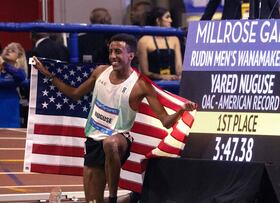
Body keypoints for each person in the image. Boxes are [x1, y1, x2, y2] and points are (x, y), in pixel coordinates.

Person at [32, 33, 197, 203]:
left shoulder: (141, 85)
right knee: (93, 201)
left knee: (110, 143)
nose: (112, 56)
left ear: (131, 55)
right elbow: (75, 94)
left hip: (120, 140)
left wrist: (181, 111)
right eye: (111, 51)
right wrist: (47, 74)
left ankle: (112, 197)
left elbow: (166, 122)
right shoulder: (100, 72)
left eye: (118, 52)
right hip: (93, 140)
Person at [137, 7, 182, 80]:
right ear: (158, 21)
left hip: (173, 82)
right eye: (167, 17)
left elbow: (179, 69)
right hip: (153, 84)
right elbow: (144, 72)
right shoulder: (144, 41)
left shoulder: (174, 39)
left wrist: (179, 77)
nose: (171, 20)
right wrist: (162, 77)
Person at [0, 42, 28, 128]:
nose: (8, 50)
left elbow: (21, 76)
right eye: (7, 48)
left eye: (12, 50)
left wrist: (4, 64)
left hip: (9, 107)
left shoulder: (18, 72)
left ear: (19, 56)